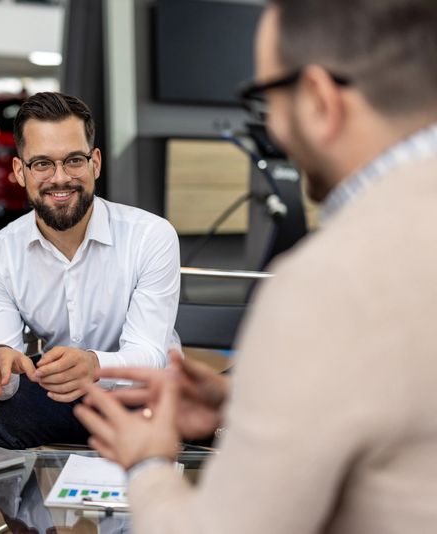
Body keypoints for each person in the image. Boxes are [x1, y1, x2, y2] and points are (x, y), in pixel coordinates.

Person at [75, 0, 437, 532]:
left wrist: (147, 463)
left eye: (263, 96)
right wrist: (246, 400)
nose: (268, 121)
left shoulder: (324, 285)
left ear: (318, 99)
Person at [0, 92, 181, 449]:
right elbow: (2, 378)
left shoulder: (150, 236)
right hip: (58, 395)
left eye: (74, 160)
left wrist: (93, 366)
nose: (60, 179)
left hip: (141, 397)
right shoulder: (0, 254)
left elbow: (150, 356)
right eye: (42, 163)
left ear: (96, 164)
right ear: (19, 171)